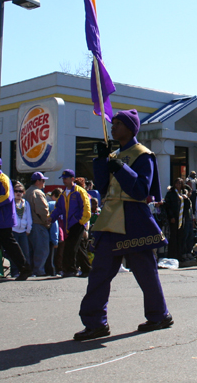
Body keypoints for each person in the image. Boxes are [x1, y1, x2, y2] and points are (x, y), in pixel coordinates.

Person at [74, 109, 172, 341]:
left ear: (130, 128)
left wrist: (118, 165)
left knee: (146, 273)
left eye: (117, 124)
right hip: (110, 220)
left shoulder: (144, 155)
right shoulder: (115, 154)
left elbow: (140, 190)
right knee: (98, 272)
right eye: (113, 123)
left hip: (134, 220)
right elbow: (103, 187)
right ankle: (95, 322)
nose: (112, 127)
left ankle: (159, 315)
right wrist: (101, 161)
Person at [50, 169, 91, 277]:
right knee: (78, 247)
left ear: (72, 179)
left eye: (66, 178)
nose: (64, 180)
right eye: (63, 178)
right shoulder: (63, 194)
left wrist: (82, 221)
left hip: (77, 223)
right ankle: (87, 269)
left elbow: (86, 206)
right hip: (68, 225)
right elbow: (58, 208)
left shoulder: (79, 191)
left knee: (71, 247)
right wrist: (51, 218)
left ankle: (71, 269)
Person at [25, 172, 51, 276]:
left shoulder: (27, 192)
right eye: (43, 180)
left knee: (31, 250)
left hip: (29, 225)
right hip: (38, 224)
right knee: (42, 249)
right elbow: (43, 210)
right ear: (37, 181)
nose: (44, 182)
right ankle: (39, 270)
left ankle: (32, 270)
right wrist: (47, 222)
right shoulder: (38, 193)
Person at [10, 182, 32, 278]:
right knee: (14, 252)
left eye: (21, 191)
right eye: (16, 191)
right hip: (13, 230)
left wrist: (28, 229)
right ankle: (14, 271)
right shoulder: (10, 202)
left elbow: (29, 217)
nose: (18, 193)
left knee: (25, 251)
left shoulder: (25, 203)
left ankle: (26, 270)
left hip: (23, 231)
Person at [164, 178, 184, 260]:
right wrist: (171, 216)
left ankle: (180, 255)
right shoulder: (171, 194)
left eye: (180, 183)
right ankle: (172, 254)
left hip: (181, 217)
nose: (178, 185)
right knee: (173, 236)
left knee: (181, 236)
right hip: (174, 217)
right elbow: (167, 206)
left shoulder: (182, 193)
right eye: (177, 183)